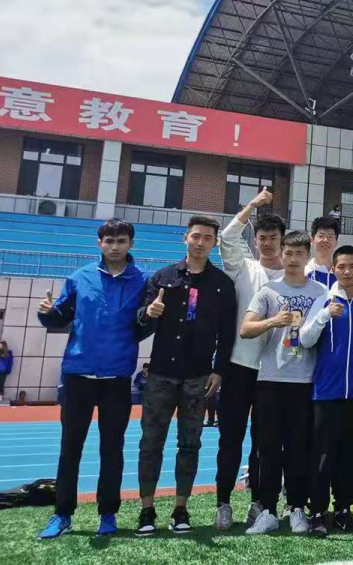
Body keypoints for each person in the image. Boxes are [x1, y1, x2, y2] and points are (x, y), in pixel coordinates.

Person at [36, 219, 148, 539]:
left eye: (121, 241)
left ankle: (108, 513)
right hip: (78, 374)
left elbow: (144, 324)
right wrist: (47, 312)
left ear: (130, 244)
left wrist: (149, 320)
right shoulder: (78, 278)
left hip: (117, 376)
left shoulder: (143, 280)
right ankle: (62, 514)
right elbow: (59, 318)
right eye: (109, 241)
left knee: (112, 448)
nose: (115, 246)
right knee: (70, 448)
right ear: (99, 243)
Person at [135, 215, 237, 537]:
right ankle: (146, 510)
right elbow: (139, 320)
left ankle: (181, 509)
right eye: (196, 236)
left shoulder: (222, 284)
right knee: (151, 443)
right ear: (185, 238)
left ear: (215, 243)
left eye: (208, 238)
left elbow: (227, 333)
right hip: (161, 374)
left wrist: (219, 370)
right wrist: (148, 313)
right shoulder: (162, 277)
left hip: (198, 376)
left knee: (190, 444)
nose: (201, 242)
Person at [239, 230, 328, 535]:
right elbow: (245, 329)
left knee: (298, 448)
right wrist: (272, 321)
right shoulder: (268, 290)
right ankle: (267, 510)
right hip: (270, 378)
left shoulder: (321, 292)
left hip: (305, 380)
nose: (292, 259)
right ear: (282, 254)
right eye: (288, 253)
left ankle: (297, 508)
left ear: (308, 256)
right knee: (267, 448)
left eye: (299, 253)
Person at [300, 245, 353, 538]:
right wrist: (324, 315)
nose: (347, 271)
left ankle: (344, 509)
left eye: (352, 266)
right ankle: (318, 512)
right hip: (326, 392)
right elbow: (306, 339)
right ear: (334, 269)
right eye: (341, 266)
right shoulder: (323, 300)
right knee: (323, 453)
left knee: (350, 454)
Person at [214, 187, 285, 530]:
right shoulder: (243, 268)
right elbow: (227, 237)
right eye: (262, 238)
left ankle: (259, 502)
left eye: (273, 238)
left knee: (265, 442)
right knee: (230, 438)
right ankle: (223, 502)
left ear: (282, 241)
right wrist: (253, 205)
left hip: (275, 372)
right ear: (254, 241)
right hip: (239, 367)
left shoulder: (294, 276)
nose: (267, 243)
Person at [305, 215, 341, 289]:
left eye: (330, 237)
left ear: (336, 243)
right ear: (312, 240)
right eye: (321, 236)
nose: (325, 240)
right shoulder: (303, 273)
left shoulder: (341, 275)